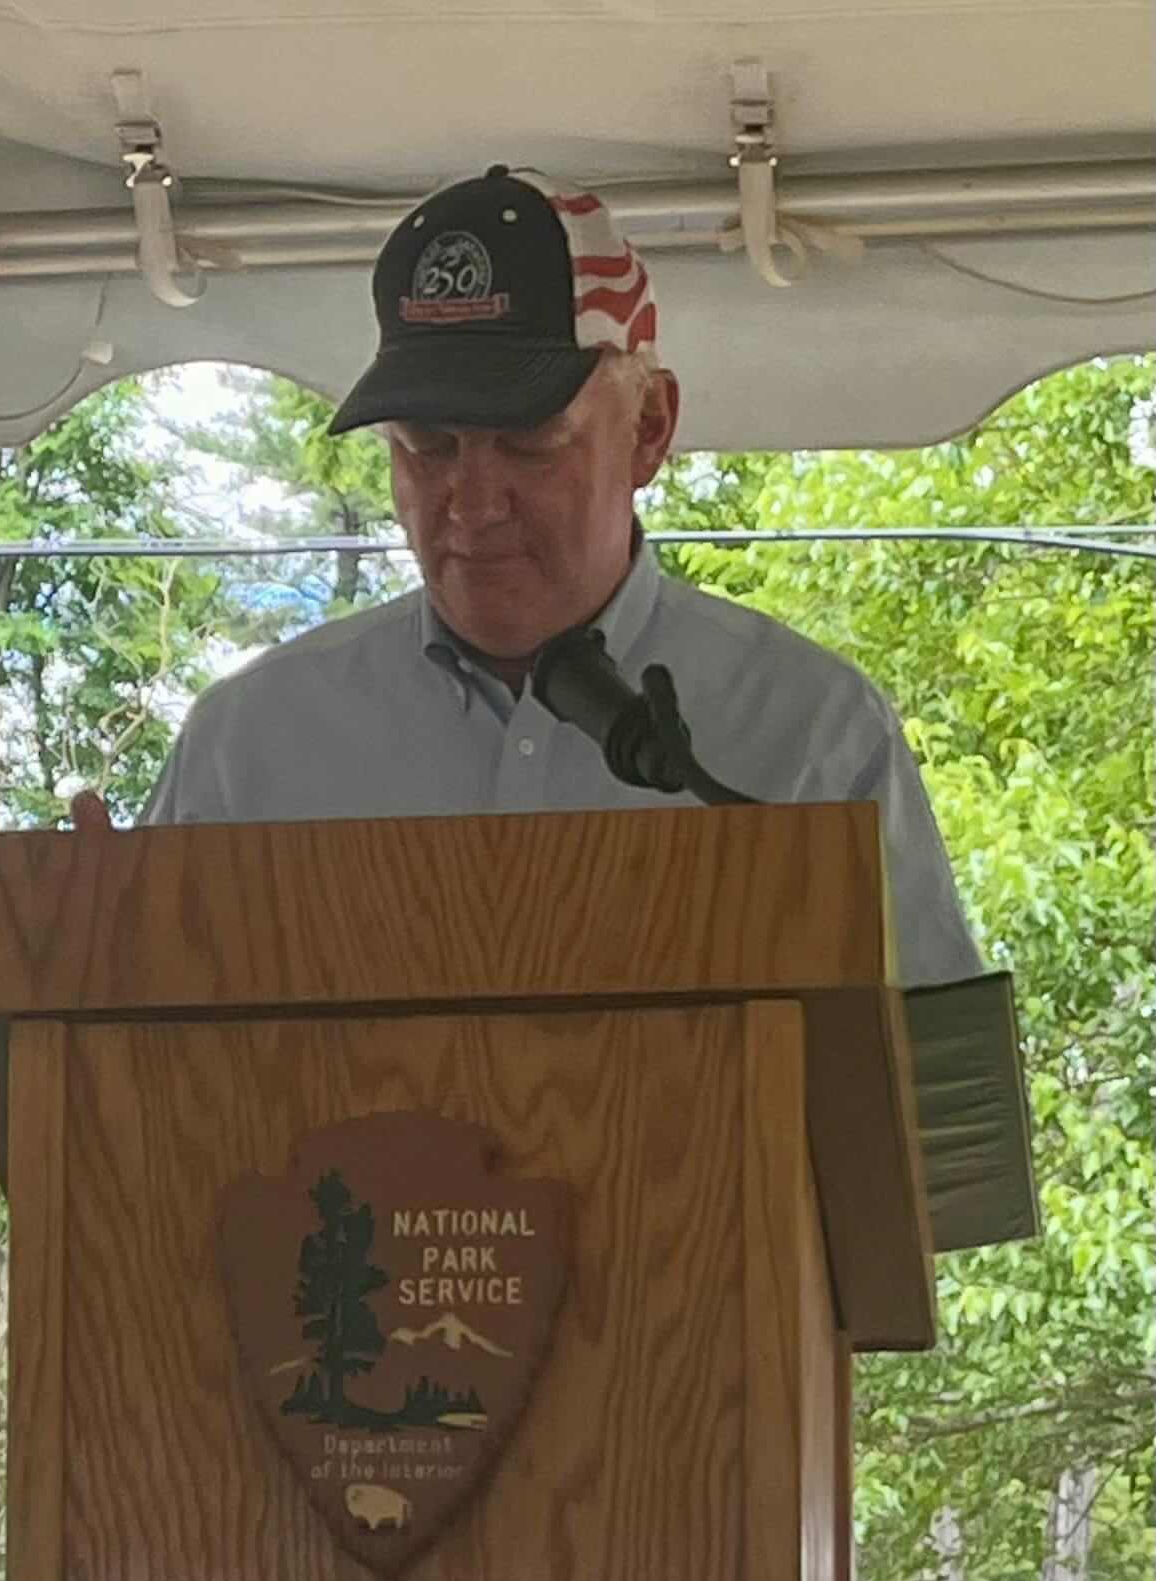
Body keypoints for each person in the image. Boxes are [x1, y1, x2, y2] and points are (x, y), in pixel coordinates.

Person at [88, 165, 980, 988]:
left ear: (650, 428)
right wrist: (79, 970)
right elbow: (141, 1094)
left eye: (529, 445)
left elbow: (934, 1102)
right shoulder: (250, 748)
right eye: (425, 449)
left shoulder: (808, 733)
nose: (472, 505)